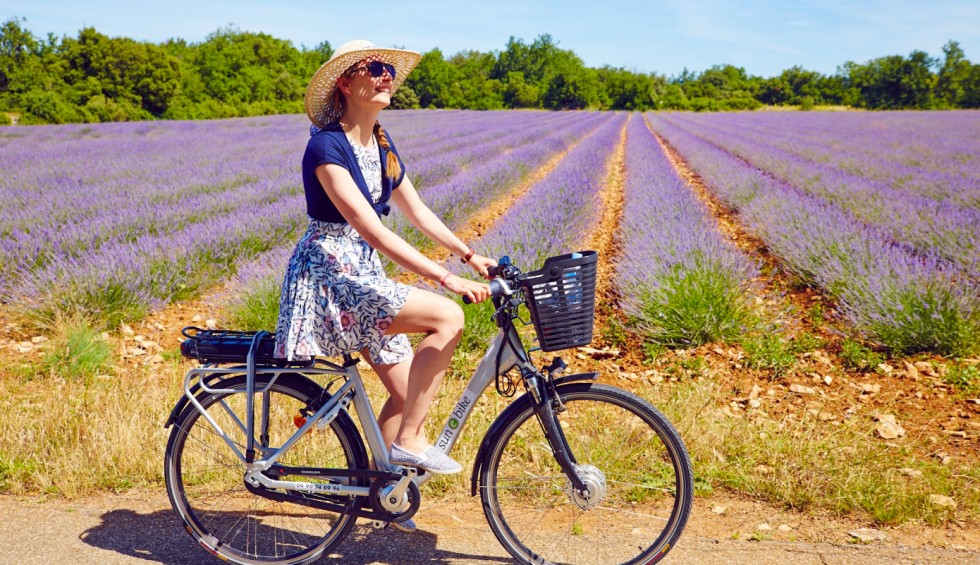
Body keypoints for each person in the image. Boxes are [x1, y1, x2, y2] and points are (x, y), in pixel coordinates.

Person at [274, 39, 493, 492]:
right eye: (373, 68)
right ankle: (410, 440)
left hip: (362, 273)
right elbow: (371, 231)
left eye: (388, 68)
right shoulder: (326, 148)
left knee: (404, 389)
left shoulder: (381, 141)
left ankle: (383, 492)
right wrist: (446, 278)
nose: (385, 74)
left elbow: (418, 211)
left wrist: (471, 256)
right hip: (330, 276)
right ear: (345, 83)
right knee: (448, 316)